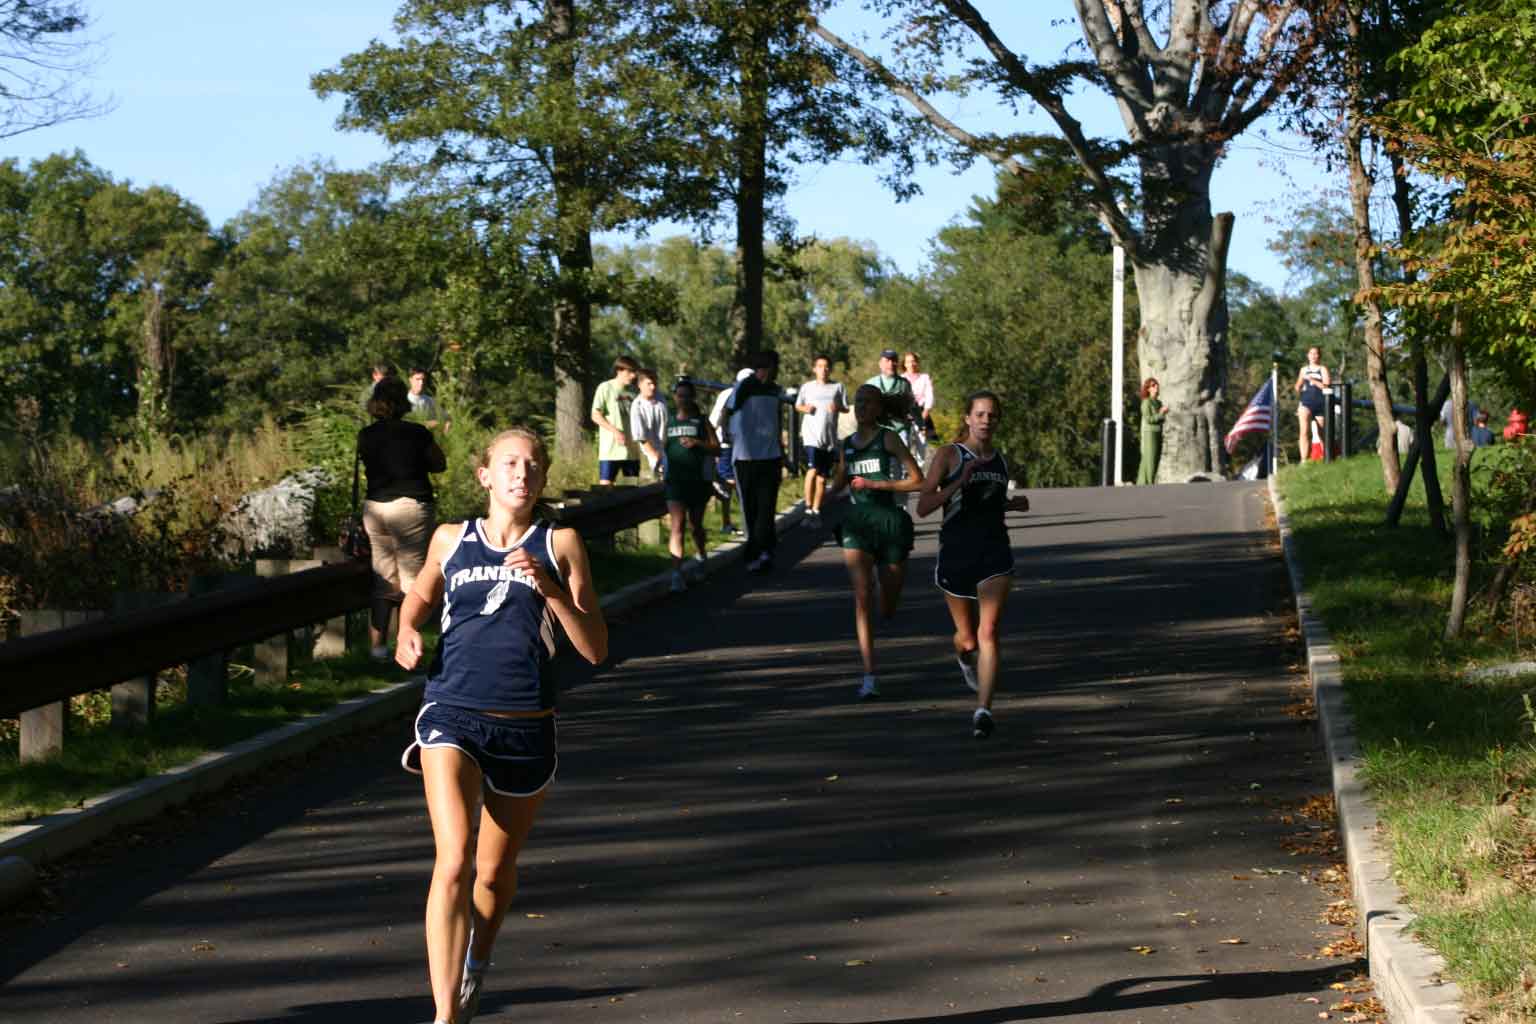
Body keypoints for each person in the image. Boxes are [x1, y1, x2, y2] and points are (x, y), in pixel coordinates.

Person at [395, 427, 607, 1024]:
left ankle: (476, 962)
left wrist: (551, 589)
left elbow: (595, 648)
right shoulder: (451, 538)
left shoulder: (560, 542)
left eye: (533, 464)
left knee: (491, 875)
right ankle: (445, 1015)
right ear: (485, 475)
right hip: (451, 711)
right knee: (454, 859)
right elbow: (419, 597)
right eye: (509, 463)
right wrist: (407, 627)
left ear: (543, 477)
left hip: (526, 726)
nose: (522, 473)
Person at [916, 390, 1030, 739]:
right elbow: (924, 506)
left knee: (989, 631)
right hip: (957, 551)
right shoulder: (949, 455)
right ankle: (965, 658)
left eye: (992, 415)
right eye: (979, 414)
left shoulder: (1000, 460)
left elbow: (988, 503)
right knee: (968, 639)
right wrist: (958, 482)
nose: (986, 420)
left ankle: (983, 711)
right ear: (967, 418)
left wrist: (1012, 504)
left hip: (995, 549)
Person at [829, 384, 923, 700]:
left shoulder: (888, 438)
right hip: (857, 523)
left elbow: (918, 481)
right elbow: (840, 481)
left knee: (888, 603)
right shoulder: (846, 445)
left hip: (890, 521)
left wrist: (878, 484)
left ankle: (886, 607)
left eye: (868, 402)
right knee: (862, 594)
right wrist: (824, 491)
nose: (861, 407)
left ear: (880, 408)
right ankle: (869, 675)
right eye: (858, 402)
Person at [359, 376, 446, 660]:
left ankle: (377, 650)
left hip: (375, 509)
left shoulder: (366, 435)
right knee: (413, 581)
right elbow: (439, 464)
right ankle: (408, 646)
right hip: (410, 508)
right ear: (403, 402)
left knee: (383, 579)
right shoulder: (417, 433)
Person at [727, 350, 785, 574]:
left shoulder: (775, 390)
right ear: (767, 367)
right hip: (746, 458)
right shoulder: (743, 387)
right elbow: (728, 411)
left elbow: (777, 420)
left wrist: (782, 452)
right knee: (751, 508)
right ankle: (755, 551)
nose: (776, 371)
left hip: (771, 457)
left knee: (767, 507)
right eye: (774, 367)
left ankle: (765, 551)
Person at [663, 380, 720, 592]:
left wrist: (698, 443)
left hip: (698, 482)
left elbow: (717, 449)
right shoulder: (669, 421)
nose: (683, 399)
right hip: (675, 482)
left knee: (696, 525)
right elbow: (663, 447)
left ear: (693, 397)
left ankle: (701, 557)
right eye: (680, 395)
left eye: (687, 395)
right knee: (677, 526)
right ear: (675, 397)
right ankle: (676, 574)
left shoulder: (702, 421)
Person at [795, 354, 848, 521]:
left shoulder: (838, 387)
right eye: (820, 366)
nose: (823, 369)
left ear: (830, 369)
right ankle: (807, 507)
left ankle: (816, 510)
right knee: (812, 470)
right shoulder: (807, 387)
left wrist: (837, 407)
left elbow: (846, 408)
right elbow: (797, 405)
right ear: (814, 369)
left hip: (829, 438)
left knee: (822, 479)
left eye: (826, 366)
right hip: (811, 435)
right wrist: (806, 408)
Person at [710, 370, 750, 539]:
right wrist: (715, 446)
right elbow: (716, 420)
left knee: (732, 484)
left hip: (741, 445)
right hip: (726, 445)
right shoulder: (729, 395)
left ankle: (732, 522)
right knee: (732, 482)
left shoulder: (749, 396)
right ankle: (740, 521)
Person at [591, 356, 640, 486]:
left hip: (632, 453)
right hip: (610, 452)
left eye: (634, 372)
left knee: (630, 492)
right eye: (630, 372)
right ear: (619, 370)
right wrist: (615, 431)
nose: (633, 375)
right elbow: (595, 415)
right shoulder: (605, 387)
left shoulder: (634, 392)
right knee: (605, 490)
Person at [866, 348, 917, 453]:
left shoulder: (904, 384)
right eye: (887, 360)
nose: (891, 364)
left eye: (894, 360)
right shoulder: (871, 383)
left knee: (903, 460)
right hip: (877, 431)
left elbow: (912, 406)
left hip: (900, 430)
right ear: (880, 363)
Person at [629, 368, 669, 478]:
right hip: (649, 454)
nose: (653, 387)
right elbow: (641, 437)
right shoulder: (637, 406)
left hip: (665, 450)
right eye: (649, 384)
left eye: (655, 383)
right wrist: (655, 457)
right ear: (640, 385)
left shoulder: (660, 399)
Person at [1294, 347, 1330, 462]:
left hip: (1320, 404)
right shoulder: (1304, 370)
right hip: (1306, 403)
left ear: (1319, 356)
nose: (1313, 356)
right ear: (1308, 355)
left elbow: (1327, 386)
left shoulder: (1323, 369)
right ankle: (1304, 460)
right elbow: (1297, 386)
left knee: (1323, 433)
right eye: (1311, 353)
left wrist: (1313, 380)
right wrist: (1299, 388)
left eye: (1316, 354)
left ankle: (1327, 459)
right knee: (1304, 431)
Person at [901, 351, 935, 464]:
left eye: (913, 361)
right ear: (904, 364)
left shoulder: (924, 377)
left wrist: (926, 411)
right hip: (905, 415)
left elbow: (929, 395)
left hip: (921, 413)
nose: (911, 364)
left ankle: (920, 469)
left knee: (921, 443)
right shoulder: (900, 379)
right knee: (905, 443)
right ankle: (906, 469)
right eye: (908, 362)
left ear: (917, 363)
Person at [1136, 377, 1166, 485]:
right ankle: (1149, 484)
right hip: (1150, 434)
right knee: (1150, 461)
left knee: (1155, 460)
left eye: (1156, 384)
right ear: (1148, 389)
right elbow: (1149, 419)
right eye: (1153, 385)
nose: (1156, 387)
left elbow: (1161, 419)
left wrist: (1162, 414)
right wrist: (1161, 413)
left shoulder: (1158, 402)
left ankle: (1144, 484)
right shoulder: (1146, 403)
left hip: (1158, 433)